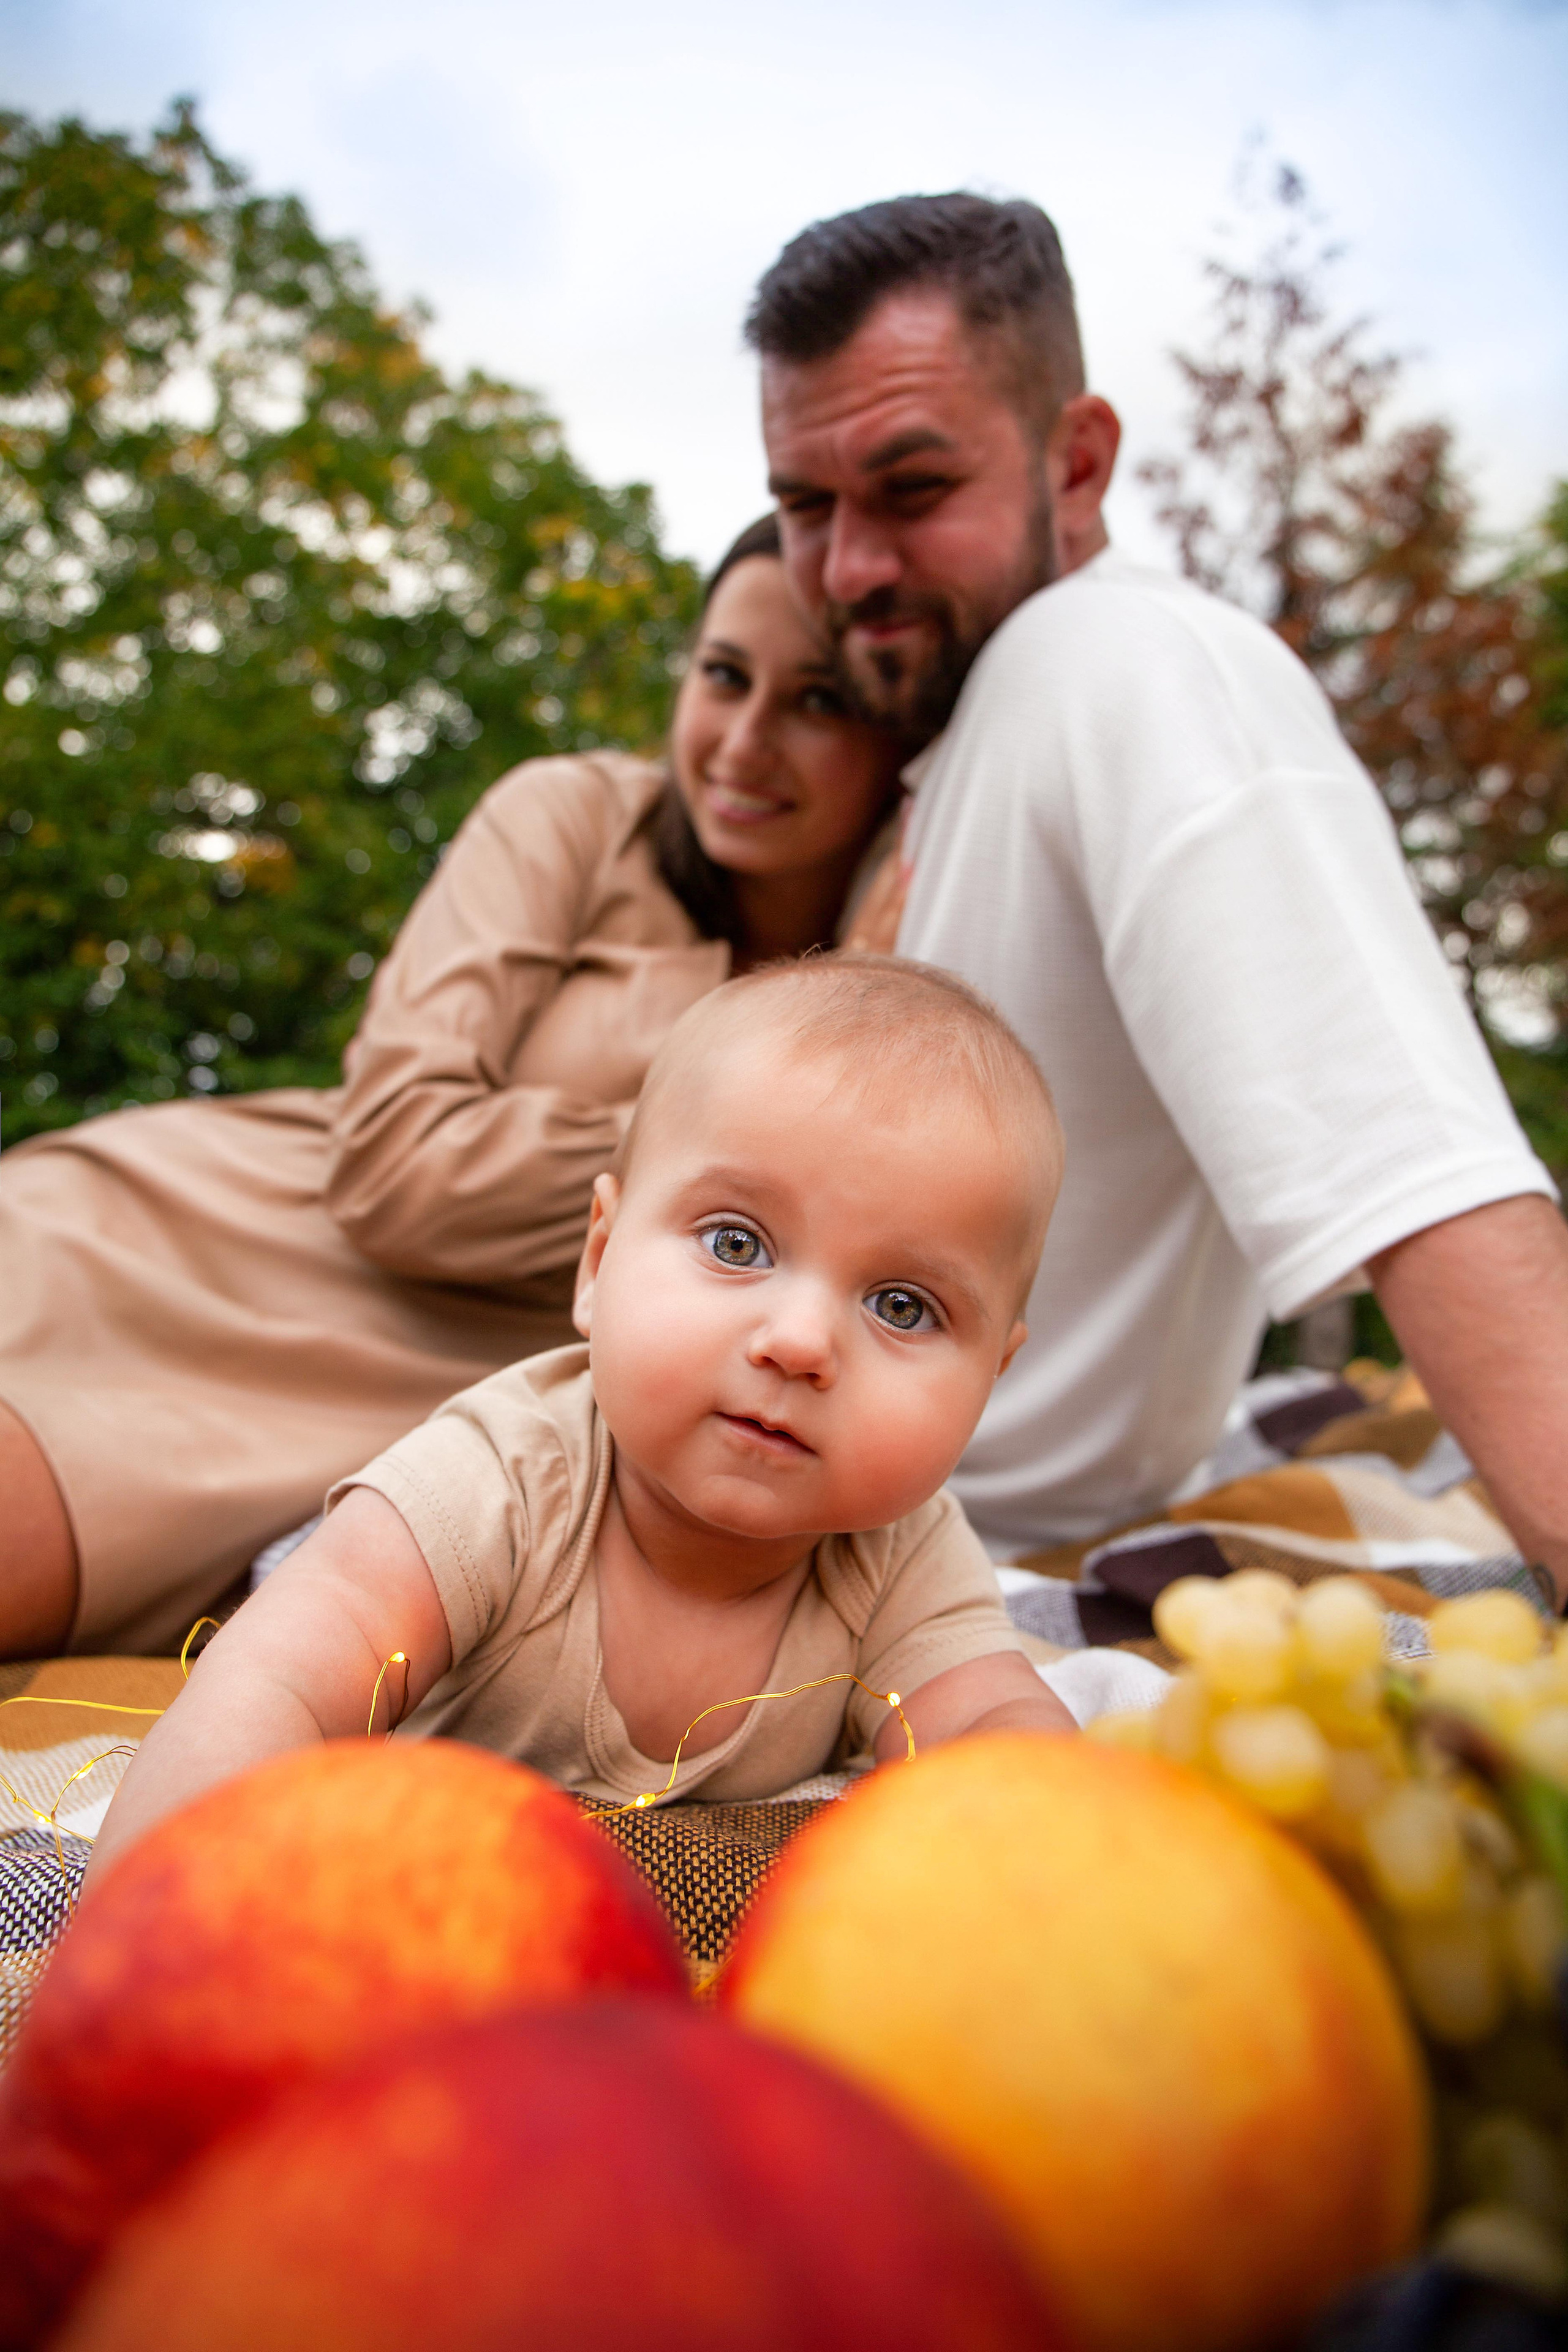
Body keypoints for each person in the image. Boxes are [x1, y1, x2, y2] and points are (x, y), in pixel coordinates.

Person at [751, 194, 1568, 1599]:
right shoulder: (973, 732)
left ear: (1076, 464)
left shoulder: (1132, 665)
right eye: (804, 507)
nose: (850, 569)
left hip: (957, 1573)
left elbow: (1420, 1180)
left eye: (912, 490)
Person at [0, 518, 905, 1660]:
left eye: (819, 701)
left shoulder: (908, 1004)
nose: (744, 742)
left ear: (897, 746)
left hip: (439, 1408)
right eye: (723, 676)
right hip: (211, 1247)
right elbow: (395, 1156)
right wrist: (757, 1128)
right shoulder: (572, 814)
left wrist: (858, 1013)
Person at [86, 958, 1075, 1876]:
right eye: (737, 1243)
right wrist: (159, 1915)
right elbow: (281, 1678)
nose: (801, 1342)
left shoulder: (898, 1555)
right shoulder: (508, 1476)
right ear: (599, 1263)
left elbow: (988, 1727)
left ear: (993, 1373)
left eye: (902, 1305)